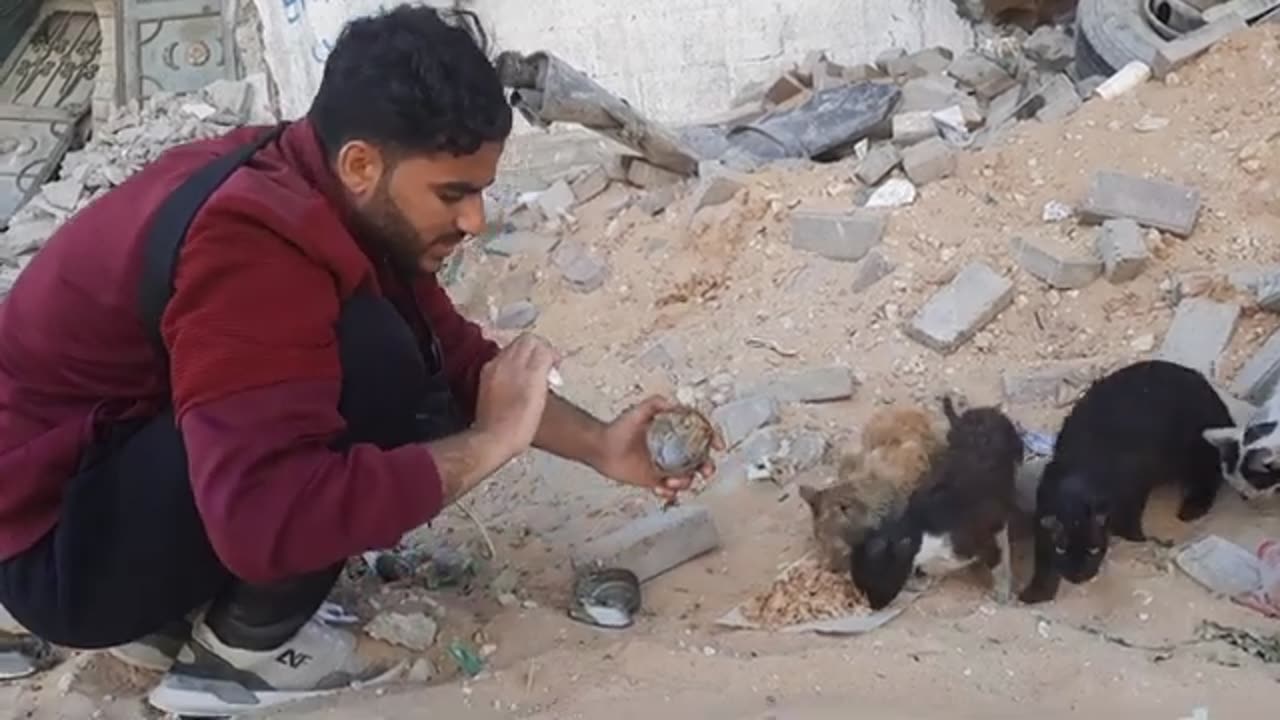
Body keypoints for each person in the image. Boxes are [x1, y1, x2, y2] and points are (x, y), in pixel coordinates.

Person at [0, 5, 715, 715]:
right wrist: (487, 446)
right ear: (362, 163)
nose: (476, 221)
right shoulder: (252, 243)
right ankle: (237, 662)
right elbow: (264, 520)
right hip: (59, 552)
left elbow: (453, 357)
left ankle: (167, 619)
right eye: (454, 193)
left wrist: (602, 445)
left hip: (102, 480)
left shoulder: (316, 181)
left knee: (391, 353)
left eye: (482, 191)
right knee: (376, 370)